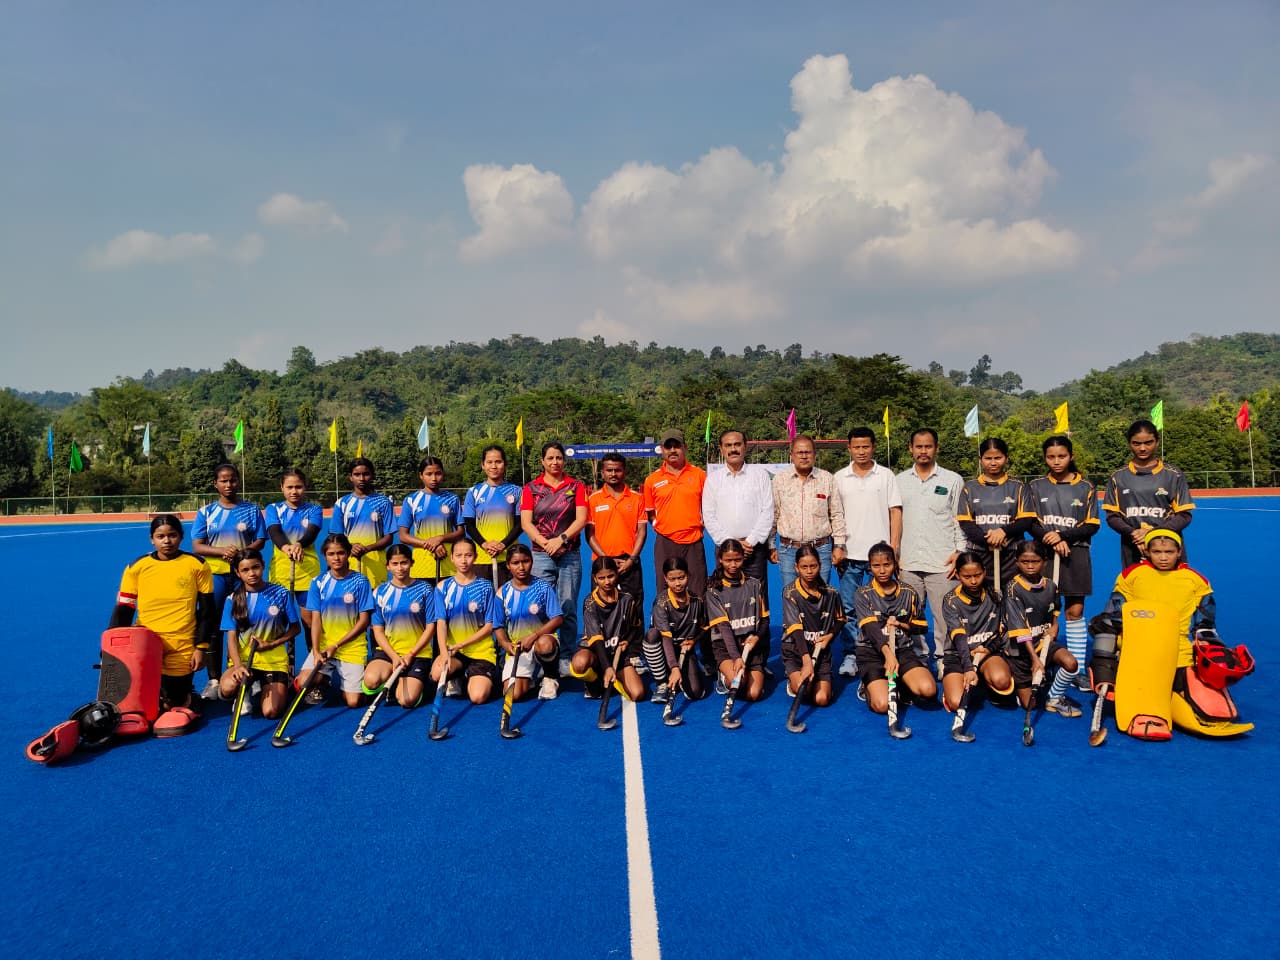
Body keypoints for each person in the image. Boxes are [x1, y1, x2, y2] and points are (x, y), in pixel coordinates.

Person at [109, 514, 215, 725]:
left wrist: (201, 647)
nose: (167, 541)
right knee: (144, 707)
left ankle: (188, 696)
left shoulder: (197, 565)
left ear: (181, 536)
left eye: (172, 535)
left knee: (172, 704)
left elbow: (207, 611)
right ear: (152, 539)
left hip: (181, 644)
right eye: (160, 536)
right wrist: (112, 647)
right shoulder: (136, 567)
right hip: (145, 644)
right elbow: (124, 609)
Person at [1028, 435, 1099, 691]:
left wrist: (1063, 536)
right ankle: (1041, 660)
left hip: (1075, 553)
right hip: (1044, 554)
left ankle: (1076, 668)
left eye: (1061, 456)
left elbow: (1092, 525)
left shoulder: (1086, 487)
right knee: (1042, 610)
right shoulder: (1035, 486)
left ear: (1071, 456)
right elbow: (1030, 522)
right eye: (1051, 457)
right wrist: (1050, 538)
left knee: (1074, 611)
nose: (1056, 461)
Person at [191, 462, 266, 695]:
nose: (229, 484)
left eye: (232, 479)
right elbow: (197, 546)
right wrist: (222, 551)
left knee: (247, 623)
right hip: (215, 575)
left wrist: (242, 553)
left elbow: (260, 540)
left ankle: (251, 674)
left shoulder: (251, 510)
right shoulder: (206, 512)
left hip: (243, 576)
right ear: (216, 484)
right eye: (223, 480)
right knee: (213, 625)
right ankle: (214, 680)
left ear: (238, 481)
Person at [896, 428, 967, 676]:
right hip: (908, 562)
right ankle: (917, 658)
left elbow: (959, 519)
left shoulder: (952, 480)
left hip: (942, 562)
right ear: (911, 449)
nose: (923, 451)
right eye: (919, 446)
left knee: (945, 617)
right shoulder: (899, 481)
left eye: (928, 446)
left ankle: (944, 659)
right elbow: (894, 519)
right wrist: (895, 554)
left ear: (936, 448)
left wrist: (960, 551)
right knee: (911, 617)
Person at [834, 426, 903, 678]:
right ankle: (852, 654)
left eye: (866, 446)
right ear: (849, 448)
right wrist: (838, 546)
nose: (861, 451)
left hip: (881, 557)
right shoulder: (839, 477)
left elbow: (895, 511)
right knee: (849, 608)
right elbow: (835, 514)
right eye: (856, 447)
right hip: (850, 555)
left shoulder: (886, 475)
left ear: (873, 447)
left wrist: (894, 548)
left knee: (883, 608)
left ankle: (882, 651)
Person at [521, 441, 588, 659]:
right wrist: (546, 543)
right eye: (550, 458)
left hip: (569, 554)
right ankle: (542, 655)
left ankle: (566, 655)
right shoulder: (531, 488)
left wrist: (560, 540)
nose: (555, 462)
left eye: (558, 457)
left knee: (568, 607)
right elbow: (526, 523)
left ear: (564, 460)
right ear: (542, 461)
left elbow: (581, 519)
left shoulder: (576, 486)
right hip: (541, 555)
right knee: (539, 607)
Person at [852, 541, 934, 713]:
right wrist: (888, 655)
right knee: (883, 705)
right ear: (870, 566)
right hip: (872, 653)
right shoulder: (863, 594)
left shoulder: (908, 592)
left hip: (902, 650)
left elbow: (921, 626)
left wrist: (901, 624)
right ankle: (867, 684)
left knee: (928, 690)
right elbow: (871, 630)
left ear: (895, 564)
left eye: (887, 565)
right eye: (876, 566)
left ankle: (900, 681)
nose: (882, 571)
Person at [218, 548, 301, 719]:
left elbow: (295, 628)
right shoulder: (232, 599)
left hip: (273, 660)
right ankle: (244, 690)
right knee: (227, 688)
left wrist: (271, 644)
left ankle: (263, 685)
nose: (251, 573)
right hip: (245, 660)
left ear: (263, 566)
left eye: (255, 567)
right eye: (245, 570)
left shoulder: (281, 593)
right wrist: (238, 665)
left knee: (271, 711)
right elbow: (231, 638)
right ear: (238, 573)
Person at [1101, 419, 1195, 569]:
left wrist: (1153, 533)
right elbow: (1112, 517)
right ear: (1129, 443)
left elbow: (1184, 515)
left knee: (1172, 584)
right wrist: (1134, 533)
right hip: (1133, 546)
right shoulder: (1118, 477)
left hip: (1167, 548)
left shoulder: (1173, 474)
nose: (1142, 448)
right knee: (1136, 584)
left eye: (1148, 442)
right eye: (1136, 443)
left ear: (1157, 442)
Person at [1004, 540, 1082, 717]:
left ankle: (1054, 697)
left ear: (1044, 562)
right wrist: (1035, 660)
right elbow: (1021, 632)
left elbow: (1054, 611)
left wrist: (1055, 626)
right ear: (1017, 562)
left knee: (1071, 663)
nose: (1030, 566)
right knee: (1030, 704)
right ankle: (1015, 683)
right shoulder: (1013, 589)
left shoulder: (1051, 586)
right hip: (1021, 652)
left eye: (1035, 561)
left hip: (1042, 643)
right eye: (1025, 562)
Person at [299, 533, 375, 708]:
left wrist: (337, 645)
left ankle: (360, 681)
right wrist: (316, 651)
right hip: (325, 647)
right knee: (303, 682)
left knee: (354, 702)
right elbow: (315, 620)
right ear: (325, 556)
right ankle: (324, 679)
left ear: (348, 554)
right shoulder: (318, 582)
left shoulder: (361, 581)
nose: (336, 558)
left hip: (352, 647)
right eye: (331, 554)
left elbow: (364, 621)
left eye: (340, 553)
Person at [361, 544, 438, 709]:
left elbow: (431, 627)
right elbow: (378, 631)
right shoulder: (380, 592)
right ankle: (393, 677)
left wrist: (411, 654)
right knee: (371, 681)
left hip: (417, 653)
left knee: (407, 701)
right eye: (394, 564)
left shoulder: (425, 590)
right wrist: (394, 657)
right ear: (387, 566)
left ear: (412, 563)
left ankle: (410, 683)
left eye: (404, 563)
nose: (400, 568)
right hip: (389, 652)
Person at [940, 552, 1015, 715]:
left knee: (1002, 681)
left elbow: (1002, 631)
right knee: (957, 702)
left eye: (977, 575)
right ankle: (954, 685)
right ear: (957, 575)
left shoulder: (996, 595)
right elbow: (959, 638)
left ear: (984, 572)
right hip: (959, 655)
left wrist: (988, 649)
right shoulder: (951, 600)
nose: (973, 581)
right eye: (967, 577)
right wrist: (968, 667)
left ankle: (984, 679)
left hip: (986, 652)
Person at [956, 437, 1033, 593]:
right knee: (983, 600)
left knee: (1012, 598)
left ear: (1006, 458)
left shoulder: (1019, 486)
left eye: (998, 458)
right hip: (979, 553)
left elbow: (1026, 520)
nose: (993, 462)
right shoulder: (969, 488)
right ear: (980, 459)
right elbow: (966, 523)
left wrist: (1003, 532)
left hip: (1011, 554)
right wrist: (987, 540)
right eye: (988, 458)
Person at [432, 539, 503, 704]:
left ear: (475, 557)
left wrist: (462, 644)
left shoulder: (486, 587)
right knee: (436, 673)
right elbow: (441, 623)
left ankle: (473, 676)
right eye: (459, 556)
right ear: (452, 558)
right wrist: (443, 653)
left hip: (481, 652)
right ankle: (456, 675)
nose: (463, 560)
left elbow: (489, 626)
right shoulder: (442, 587)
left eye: (468, 555)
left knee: (478, 697)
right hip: (454, 652)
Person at [701, 429, 774, 591]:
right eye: (728, 445)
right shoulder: (713, 480)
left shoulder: (760, 476)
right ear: (721, 449)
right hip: (725, 550)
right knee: (726, 597)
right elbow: (709, 516)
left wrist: (750, 542)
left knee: (757, 597)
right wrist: (731, 544)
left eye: (737, 444)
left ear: (745, 447)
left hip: (753, 549)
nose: (733, 449)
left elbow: (767, 512)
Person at [771, 435, 846, 591]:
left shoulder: (827, 479)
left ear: (814, 454)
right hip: (789, 550)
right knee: (791, 596)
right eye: (799, 452)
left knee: (821, 595)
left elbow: (836, 514)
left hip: (821, 549)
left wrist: (839, 545)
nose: (804, 456)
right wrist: (771, 545)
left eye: (808, 452)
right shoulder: (779, 480)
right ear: (791, 455)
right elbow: (773, 514)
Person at [643, 428, 708, 598]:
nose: (672, 450)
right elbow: (650, 512)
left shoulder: (700, 475)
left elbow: (709, 508)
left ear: (685, 447)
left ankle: (698, 616)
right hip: (666, 541)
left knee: (698, 589)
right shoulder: (652, 480)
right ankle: (665, 616)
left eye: (677, 446)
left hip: (694, 541)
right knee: (665, 589)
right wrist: (662, 526)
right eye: (668, 446)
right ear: (662, 450)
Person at [495, 543, 564, 701]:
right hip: (519, 648)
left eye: (525, 561)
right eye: (515, 563)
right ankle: (529, 678)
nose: (521, 567)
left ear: (532, 562)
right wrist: (506, 645)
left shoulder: (543, 588)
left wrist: (533, 636)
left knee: (544, 644)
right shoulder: (502, 593)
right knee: (513, 695)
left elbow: (558, 618)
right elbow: (497, 626)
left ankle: (550, 677)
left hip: (541, 640)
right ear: (508, 565)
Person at [571, 557, 646, 701]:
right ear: (595, 579)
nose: (607, 582)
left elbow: (635, 627)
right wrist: (607, 667)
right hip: (595, 652)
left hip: (617, 654)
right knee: (579, 663)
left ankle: (614, 679)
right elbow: (596, 640)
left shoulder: (627, 599)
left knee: (637, 694)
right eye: (602, 578)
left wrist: (627, 641)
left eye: (611, 576)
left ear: (617, 574)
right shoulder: (590, 603)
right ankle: (594, 682)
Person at [706, 539, 770, 704]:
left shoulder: (754, 584)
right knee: (739, 682)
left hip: (751, 647)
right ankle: (723, 676)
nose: (733, 565)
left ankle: (750, 673)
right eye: (728, 560)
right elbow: (724, 629)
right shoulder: (714, 590)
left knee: (754, 695)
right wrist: (736, 658)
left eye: (737, 560)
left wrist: (756, 637)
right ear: (720, 560)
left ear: (743, 558)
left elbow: (764, 619)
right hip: (726, 647)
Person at [780, 544, 844, 707]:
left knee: (822, 699)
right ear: (796, 568)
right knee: (804, 689)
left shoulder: (831, 593)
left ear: (820, 566)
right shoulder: (790, 593)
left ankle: (823, 679)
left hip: (820, 654)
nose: (809, 571)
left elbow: (841, 620)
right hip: (796, 651)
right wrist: (807, 661)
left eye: (813, 566)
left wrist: (830, 636)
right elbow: (795, 628)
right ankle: (793, 681)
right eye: (804, 567)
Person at [644, 557, 710, 705]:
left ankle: (679, 673)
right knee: (652, 635)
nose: (678, 583)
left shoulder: (697, 601)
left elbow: (704, 627)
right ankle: (661, 682)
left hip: (684, 649)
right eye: (672, 579)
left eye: (681, 578)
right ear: (665, 579)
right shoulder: (661, 603)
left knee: (696, 692)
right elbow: (666, 639)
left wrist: (694, 640)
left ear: (688, 575)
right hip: (664, 648)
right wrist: (674, 667)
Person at [586, 452, 648, 608]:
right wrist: (606, 560)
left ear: (624, 471)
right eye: (609, 470)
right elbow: (589, 534)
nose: (613, 474)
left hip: (629, 562)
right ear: (602, 472)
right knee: (601, 608)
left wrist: (632, 560)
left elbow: (642, 532)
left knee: (633, 608)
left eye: (617, 470)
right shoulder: (593, 499)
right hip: (602, 562)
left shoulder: (637, 498)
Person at [329, 457, 395, 589]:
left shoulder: (384, 502)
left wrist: (367, 548)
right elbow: (335, 536)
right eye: (357, 474)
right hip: (349, 563)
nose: (362, 478)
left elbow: (389, 538)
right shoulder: (342, 503)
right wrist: (351, 546)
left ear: (372, 475)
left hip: (376, 564)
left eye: (366, 474)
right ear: (350, 477)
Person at [462, 444, 523, 587]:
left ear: (505, 464)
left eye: (498, 462)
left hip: (509, 557)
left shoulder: (517, 491)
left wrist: (503, 544)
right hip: (481, 557)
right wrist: (485, 544)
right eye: (489, 462)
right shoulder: (474, 492)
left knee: (507, 599)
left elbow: (520, 524)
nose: (494, 466)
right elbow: (469, 526)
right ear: (483, 465)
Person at [398, 456, 463, 586]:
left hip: (448, 563)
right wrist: (430, 544)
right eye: (429, 474)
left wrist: (440, 538)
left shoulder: (452, 499)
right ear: (421, 476)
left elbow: (461, 533)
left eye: (438, 473)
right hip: (421, 565)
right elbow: (403, 536)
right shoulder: (411, 500)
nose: (434, 478)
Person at [265, 467, 323, 612]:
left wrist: (298, 544)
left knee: (310, 620)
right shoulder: (273, 508)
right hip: (281, 572)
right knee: (279, 618)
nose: (294, 491)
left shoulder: (314, 510)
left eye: (298, 487)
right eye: (289, 487)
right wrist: (286, 547)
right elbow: (274, 532)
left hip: (308, 571)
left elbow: (312, 533)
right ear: (282, 488)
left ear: (305, 487)